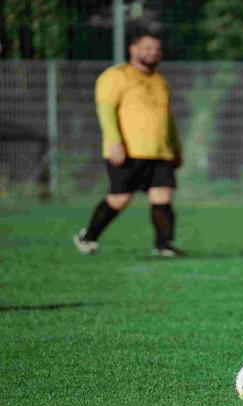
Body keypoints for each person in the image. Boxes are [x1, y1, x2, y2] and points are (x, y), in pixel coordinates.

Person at [73, 31, 183, 257]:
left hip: (160, 152)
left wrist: (176, 148)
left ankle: (163, 245)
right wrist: (114, 142)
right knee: (119, 199)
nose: (153, 52)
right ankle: (88, 237)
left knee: (162, 197)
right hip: (129, 151)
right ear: (133, 49)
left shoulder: (160, 81)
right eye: (147, 48)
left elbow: (167, 119)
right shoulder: (117, 75)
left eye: (157, 49)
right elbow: (105, 110)